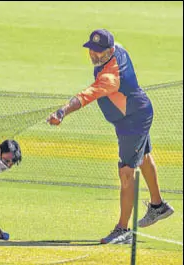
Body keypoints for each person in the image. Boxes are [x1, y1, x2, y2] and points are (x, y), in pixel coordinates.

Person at [47, 29, 174, 244]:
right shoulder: (119, 50)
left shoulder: (110, 77)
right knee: (142, 157)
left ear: (111, 50)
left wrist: (62, 112)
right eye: (92, 50)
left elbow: (85, 97)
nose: (94, 55)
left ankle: (123, 231)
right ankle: (157, 206)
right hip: (136, 113)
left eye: (99, 52)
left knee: (126, 172)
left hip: (132, 122)